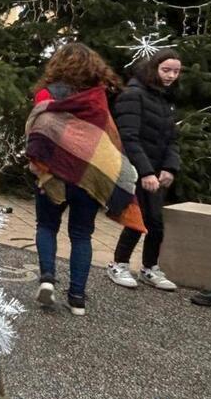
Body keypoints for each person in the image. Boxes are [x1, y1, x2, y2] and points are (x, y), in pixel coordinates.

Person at [25, 43, 144, 317]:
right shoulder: (97, 98)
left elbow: (39, 131)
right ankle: (77, 298)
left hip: (53, 173)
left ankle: (47, 279)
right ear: (94, 67)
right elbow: (106, 141)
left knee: (46, 225)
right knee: (81, 235)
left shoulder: (45, 94)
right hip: (88, 178)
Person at [107, 48, 182, 291]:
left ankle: (150, 267)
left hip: (158, 171)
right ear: (154, 68)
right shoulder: (134, 94)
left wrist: (170, 167)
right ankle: (118, 263)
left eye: (176, 71)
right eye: (166, 70)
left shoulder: (165, 99)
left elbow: (172, 138)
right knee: (137, 219)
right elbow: (128, 137)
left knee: (156, 222)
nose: (171, 76)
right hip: (137, 169)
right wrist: (146, 172)